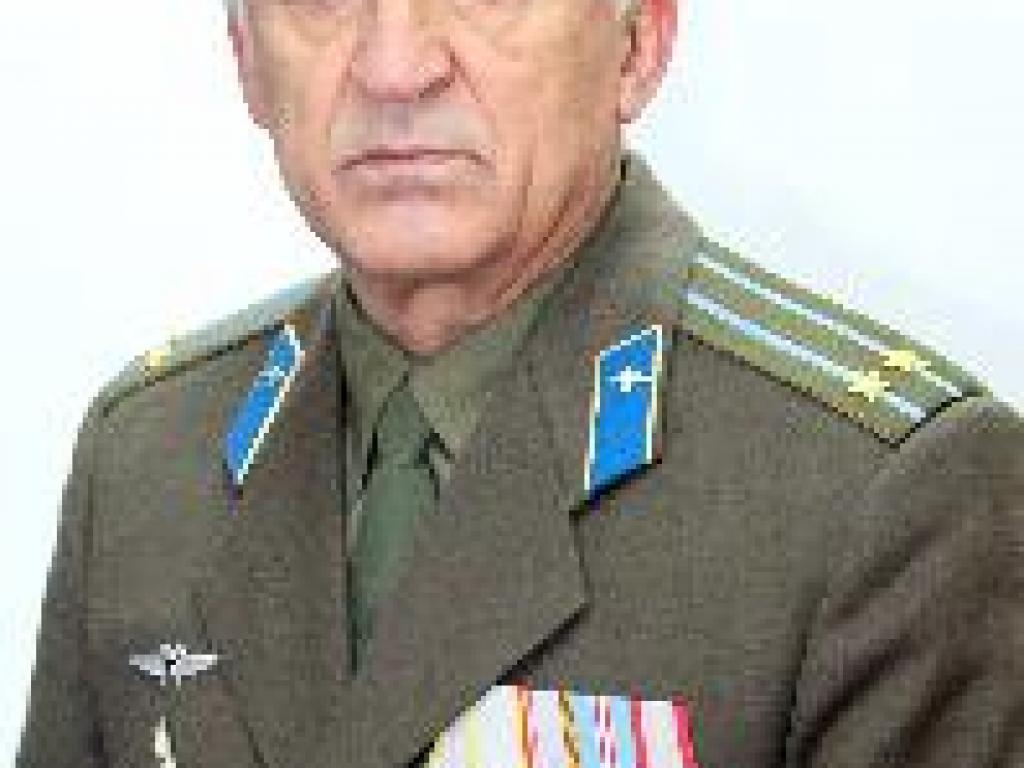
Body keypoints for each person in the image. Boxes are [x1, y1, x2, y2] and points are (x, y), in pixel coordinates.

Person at [16, 0, 1023, 766]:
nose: (395, 67)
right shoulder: (149, 460)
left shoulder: (877, 497)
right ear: (244, 57)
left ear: (638, 44)